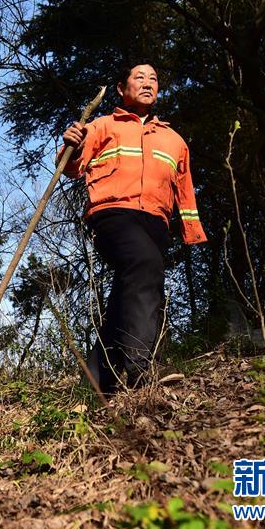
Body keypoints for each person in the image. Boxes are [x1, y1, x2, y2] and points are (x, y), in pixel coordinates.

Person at [59, 63, 207, 394]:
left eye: (153, 79)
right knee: (144, 265)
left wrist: (191, 230)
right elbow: (72, 167)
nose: (147, 83)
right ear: (122, 89)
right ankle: (141, 368)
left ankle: (98, 384)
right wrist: (71, 143)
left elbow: (185, 189)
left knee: (129, 289)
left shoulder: (174, 140)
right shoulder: (102, 126)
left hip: (156, 223)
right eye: (139, 78)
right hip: (112, 215)